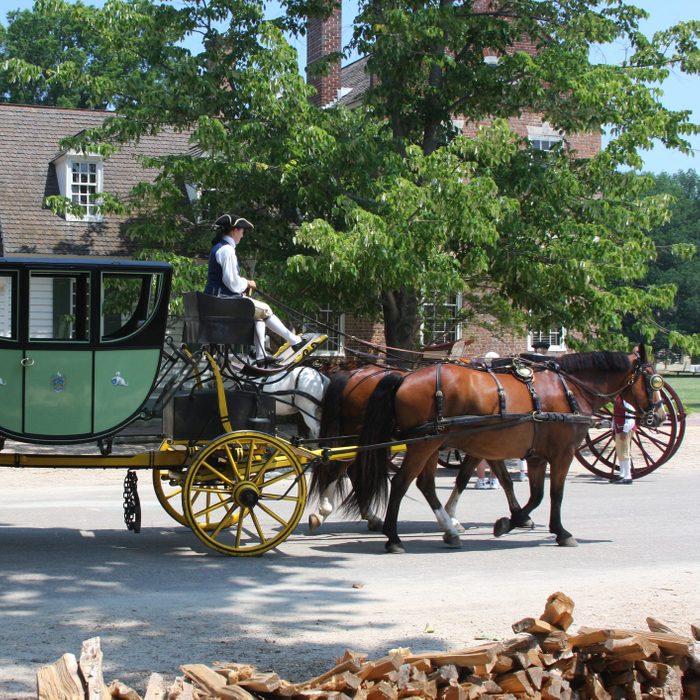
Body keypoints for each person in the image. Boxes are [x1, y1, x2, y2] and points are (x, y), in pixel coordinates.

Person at [204, 214, 310, 366]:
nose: (243, 234)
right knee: (265, 309)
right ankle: (295, 341)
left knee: (258, 315)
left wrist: (243, 285)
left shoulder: (219, 248)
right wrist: (247, 283)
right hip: (223, 302)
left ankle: (261, 356)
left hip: (218, 301)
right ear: (234, 230)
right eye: (242, 231)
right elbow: (232, 283)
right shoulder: (227, 250)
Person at [611, 395, 635, 484]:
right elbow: (615, 416)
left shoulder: (627, 400)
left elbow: (630, 416)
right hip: (619, 429)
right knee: (620, 452)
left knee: (625, 451)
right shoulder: (618, 398)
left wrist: (625, 430)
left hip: (625, 429)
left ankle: (628, 476)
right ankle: (622, 474)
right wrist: (613, 428)